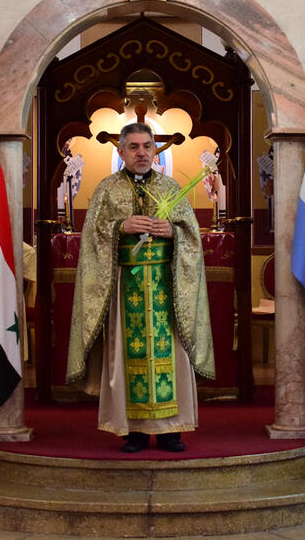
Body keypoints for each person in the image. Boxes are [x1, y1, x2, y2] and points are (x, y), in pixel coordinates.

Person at [67, 122, 215, 453]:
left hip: (165, 288)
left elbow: (191, 235)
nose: (142, 153)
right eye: (133, 147)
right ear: (120, 152)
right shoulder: (107, 189)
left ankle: (170, 431)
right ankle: (131, 431)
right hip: (126, 287)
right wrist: (121, 226)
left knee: (171, 355)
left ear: (154, 149)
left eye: (147, 146)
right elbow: (91, 237)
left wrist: (173, 232)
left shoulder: (170, 188)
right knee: (125, 355)